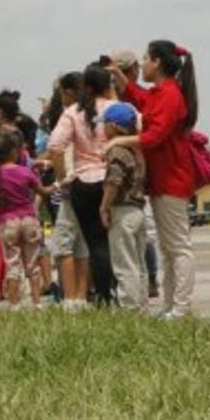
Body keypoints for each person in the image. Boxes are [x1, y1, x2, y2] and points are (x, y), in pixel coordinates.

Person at [111, 40, 199, 320]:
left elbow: (154, 135)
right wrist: (119, 76)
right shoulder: (162, 92)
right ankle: (171, 304)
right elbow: (141, 99)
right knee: (168, 247)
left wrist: (121, 139)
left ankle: (181, 306)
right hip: (164, 180)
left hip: (172, 179)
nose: (143, 64)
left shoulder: (170, 94)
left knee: (178, 247)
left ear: (158, 62)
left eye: (146, 58)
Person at [49, 64, 118, 305]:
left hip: (84, 183)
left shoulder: (72, 112)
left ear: (86, 87)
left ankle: (102, 295)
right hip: (113, 180)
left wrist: (62, 177)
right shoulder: (116, 108)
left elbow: (55, 146)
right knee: (116, 241)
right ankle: (120, 291)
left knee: (95, 243)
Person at [0, 131, 49, 307]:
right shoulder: (26, 172)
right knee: (32, 263)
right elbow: (43, 191)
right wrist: (58, 184)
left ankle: (14, 305)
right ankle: (37, 303)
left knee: (12, 264)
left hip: (7, 221)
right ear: (14, 151)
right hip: (29, 219)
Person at [99, 103, 148, 311]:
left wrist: (104, 207)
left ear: (115, 126)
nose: (102, 129)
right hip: (138, 211)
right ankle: (142, 303)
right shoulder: (137, 151)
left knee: (124, 262)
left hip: (123, 210)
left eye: (105, 124)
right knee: (139, 262)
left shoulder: (117, 150)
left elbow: (114, 181)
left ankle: (129, 307)